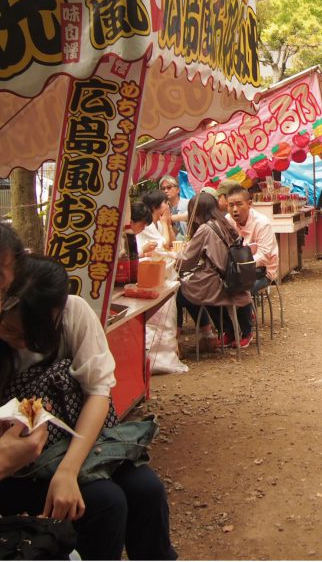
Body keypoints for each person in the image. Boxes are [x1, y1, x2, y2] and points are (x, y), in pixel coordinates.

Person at [0, 226, 176, 560]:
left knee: (147, 491)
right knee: (106, 501)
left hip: (74, 438)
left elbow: (98, 393)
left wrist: (68, 469)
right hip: (23, 462)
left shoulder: (71, 313)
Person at [177, 192, 253, 352]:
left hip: (215, 283)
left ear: (196, 211)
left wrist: (171, 257)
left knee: (179, 294)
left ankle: (201, 336)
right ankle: (223, 331)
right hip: (232, 279)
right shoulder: (223, 223)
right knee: (191, 290)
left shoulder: (205, 229)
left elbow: (186, 261)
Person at [225, 184, 279, 348]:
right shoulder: (227, 222)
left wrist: (241, 267)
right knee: (216, 285)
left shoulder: (262, 224)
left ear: (250, 203)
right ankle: (228, 331)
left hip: (262, 272)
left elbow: (263, 256)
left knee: (241, 287)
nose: (235, 209)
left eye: (239, 204)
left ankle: (247, 332)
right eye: (231, 205)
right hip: (235, 271)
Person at [137, 189, 174, 256]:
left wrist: (168, 225)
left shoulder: (159, 222)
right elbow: (165, 245)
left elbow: (172, 243)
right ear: (154, 206)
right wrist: (165, 223)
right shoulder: (147, 224)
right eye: (165, 203)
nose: (168, 206)